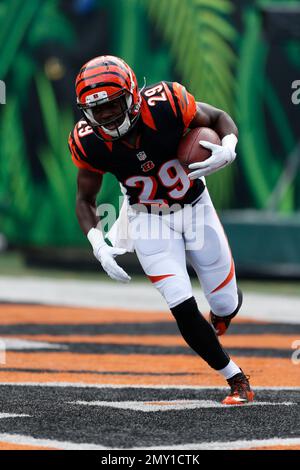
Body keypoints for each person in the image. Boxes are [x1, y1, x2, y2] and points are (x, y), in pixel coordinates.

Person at [68, 55, 254, 405]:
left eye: (113, 105)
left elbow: (217, 118)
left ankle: (225, 310)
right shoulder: (88, 141)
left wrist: (228, 148)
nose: (107, 116)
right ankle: (236, 379)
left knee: (224, 302)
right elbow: (85, 199)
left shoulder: (167, 104)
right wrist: (97, 243)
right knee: (180, 303)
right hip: (147, 216)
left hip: (196, 206)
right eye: (99, 110)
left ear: (132, 95)